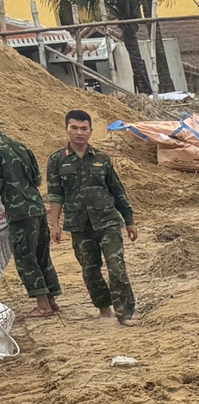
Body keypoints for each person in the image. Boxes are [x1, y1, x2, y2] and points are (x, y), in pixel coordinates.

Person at [47, 108, 136, 325]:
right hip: (79, 224)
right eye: (74, 128)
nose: (79, 132)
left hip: (107, 220)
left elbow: (117, 191)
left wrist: (129, 221)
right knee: (90, 270)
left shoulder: (102, 159)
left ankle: (124, 314)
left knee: (117, 267)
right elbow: (55, 194)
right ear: (67, 129)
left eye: (84, 128)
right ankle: (104, 308)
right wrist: (54, 225)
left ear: (90, 131)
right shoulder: (58, 160)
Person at [0, 119, 58, 316]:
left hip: (19, 212)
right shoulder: (20, 146)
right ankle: (51, 300)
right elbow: (37, 179)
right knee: (42, 254)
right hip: (37, 207)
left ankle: (42, 306)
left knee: (25, 257)